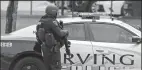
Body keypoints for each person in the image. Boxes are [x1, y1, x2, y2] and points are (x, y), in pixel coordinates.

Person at [36, 4, 68, 70]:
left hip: (45, 48)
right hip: (53, 50)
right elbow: (60, 33)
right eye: (56, 12)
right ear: (53, 12)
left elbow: (38, 33)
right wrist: (66, 31)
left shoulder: (41, 21)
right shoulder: (52, 21)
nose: (57, 14)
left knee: (47, 66)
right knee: (56, 67)